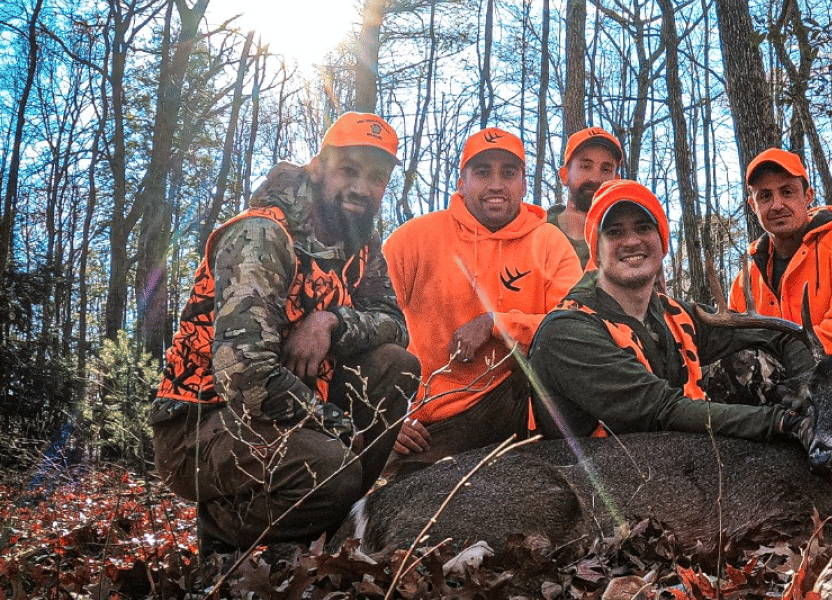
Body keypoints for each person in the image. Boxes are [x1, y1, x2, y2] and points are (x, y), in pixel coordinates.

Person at [150, 112, 418, 554]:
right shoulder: (262, 234)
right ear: (318, 169)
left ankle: (326, 534)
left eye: (376, 178)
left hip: (287, 411)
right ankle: (222, 530)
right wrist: (337, 427)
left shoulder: (362, 245)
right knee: (333, 467)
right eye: (348, 170)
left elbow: (394, 323)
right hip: (198, 425)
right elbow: (245, 377)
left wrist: (330, 321)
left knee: (396, 365)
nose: (360, 189)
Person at [529, 179, 813, 441]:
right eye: (614, 232)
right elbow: (659, 410)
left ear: (662, 241)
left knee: (753, 361)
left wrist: (807, 389)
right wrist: (783, 423)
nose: (631, 241)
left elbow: (780, 334)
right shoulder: (567, 332)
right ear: (596, 250)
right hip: (599, 479)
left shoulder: (675, 316)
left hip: (665, 462)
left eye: (643, 228)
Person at [383, 127, 582, 480]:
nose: (496, 184)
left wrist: (495, 323)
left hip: (514, 403)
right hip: (432, 420)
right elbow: (366, 328)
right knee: (412, 500)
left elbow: (575, 324)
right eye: (482, 171)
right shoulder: (415, 238)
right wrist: (384, 418)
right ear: (461, 181)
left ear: (523, 184)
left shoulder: (548, 241)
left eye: (508, 173)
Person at [728, 148, 832, 354]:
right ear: (753, 206)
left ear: (808, 196)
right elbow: (733, 346)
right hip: (782, 384)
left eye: (787, 192)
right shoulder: (744, 283)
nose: (776, 205)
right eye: (765, 196)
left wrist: (782, 355)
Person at [548, 127, 623, 268]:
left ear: (616, 181)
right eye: (585, 166)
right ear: (565, 175)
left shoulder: (625, 243)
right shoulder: (535, 234)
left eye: (606, 169)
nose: (595, 178)